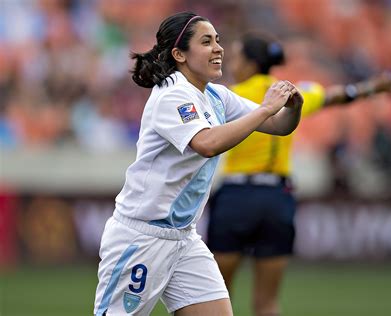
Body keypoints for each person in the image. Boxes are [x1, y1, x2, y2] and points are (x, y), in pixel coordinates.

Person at [93, 13, 304, 316]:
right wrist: (267, 108)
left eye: (218, 40)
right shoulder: (172, 93)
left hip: (183, 238)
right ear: (179, 54)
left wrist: (293, 108)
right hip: (141, 237)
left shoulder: (216, 95)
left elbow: (280, 125)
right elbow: (207, 143)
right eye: (206, 41)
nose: (218, 48)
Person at [206, 32, 391, 316]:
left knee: (217, 298)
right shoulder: (290, 92)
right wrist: (374, 87)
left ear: (250, 63)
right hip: (277, 198)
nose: (231, 62)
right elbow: (337, 96)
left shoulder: (231, 96)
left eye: (236, 57)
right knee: (267, 303)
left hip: (237, 196)